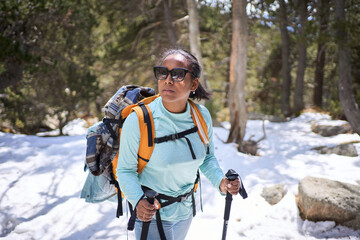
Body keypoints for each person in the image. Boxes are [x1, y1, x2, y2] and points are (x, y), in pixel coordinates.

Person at [116, 48, 241, 240]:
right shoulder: (139, 120)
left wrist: (222, 182)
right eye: (162, 73)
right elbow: (125, 170)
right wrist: (139, 201)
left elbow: (207, 157)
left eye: (178, 74)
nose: (168, 79)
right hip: (151, 213)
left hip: (185, 212)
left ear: (194, 83)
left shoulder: (200, 116)